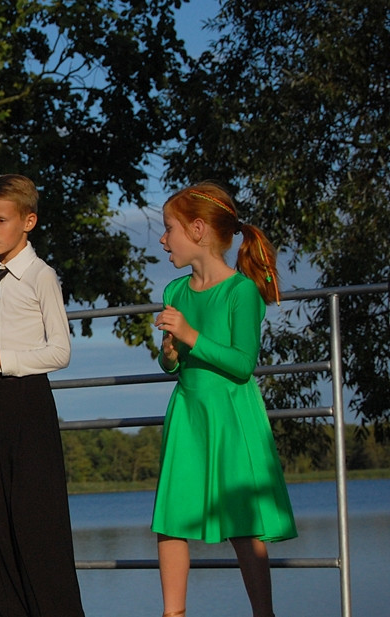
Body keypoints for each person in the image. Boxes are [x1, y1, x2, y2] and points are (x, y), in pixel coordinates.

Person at [152, 182, 297, 617]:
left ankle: (263, 613)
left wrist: (190, 336)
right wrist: (170, 354)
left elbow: (241, 364)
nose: (163, 240)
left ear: (197, 230)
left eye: (169, 229)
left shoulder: (241, 293)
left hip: (231, 417)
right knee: (171, 519)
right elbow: (173, 367)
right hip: (189, 415)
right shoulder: (175, 292)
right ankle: (172, 613)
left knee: (242, 522)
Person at [0, 174, 86, 617]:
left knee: (39, 528)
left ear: (28, 221)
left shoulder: (40, 276)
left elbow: (61, 350)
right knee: (0, 528)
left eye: (1, 220)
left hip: (29, 406)